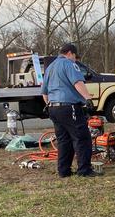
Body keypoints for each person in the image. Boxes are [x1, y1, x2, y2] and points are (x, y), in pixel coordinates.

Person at [41, 43, 96, 178]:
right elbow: (77, 82)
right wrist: (88, 99)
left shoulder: (50, 67)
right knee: (81, 137)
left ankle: (63, 171)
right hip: (69, 106)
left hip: (53, 107)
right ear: (70, 53)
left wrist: (48, 104)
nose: (75, 60)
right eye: (75, 57)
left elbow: (44, 91)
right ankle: (84, 170)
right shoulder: (69, 64)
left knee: (64, 140)